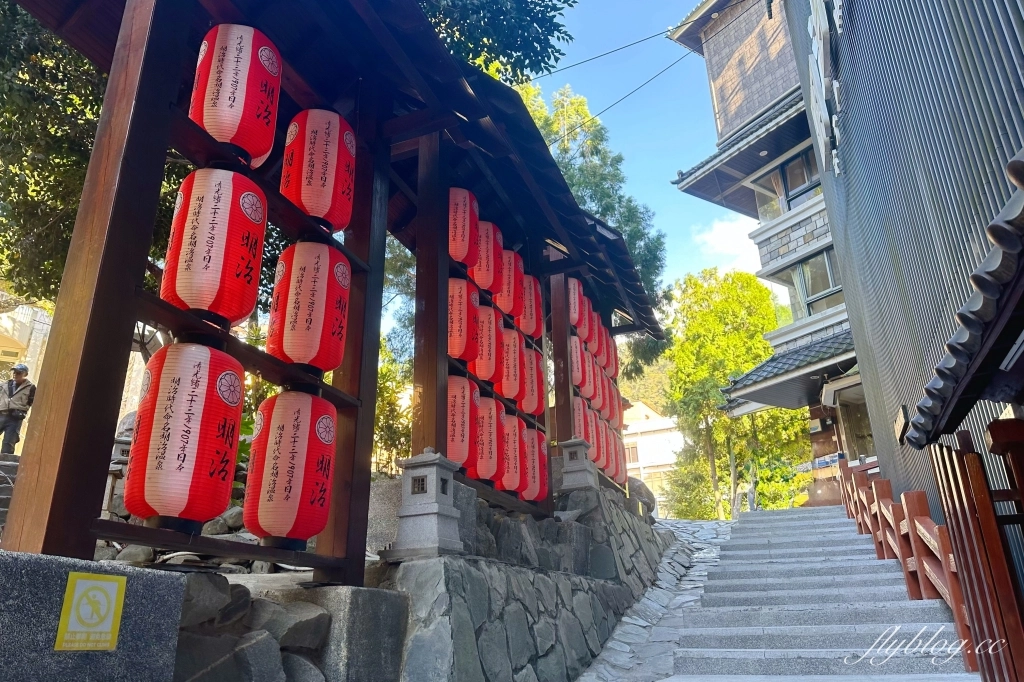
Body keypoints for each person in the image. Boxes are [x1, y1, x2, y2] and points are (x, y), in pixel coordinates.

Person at [0, 364, 36, 455]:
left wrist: (25, 412)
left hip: (15, 418)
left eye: (19, 373)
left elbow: (32, 402)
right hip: (1, 414)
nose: (15, 374)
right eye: (14, 372)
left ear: (25, 374)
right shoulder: (4, 385)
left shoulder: (30, 388)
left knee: (8, 443)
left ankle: (4, 462)